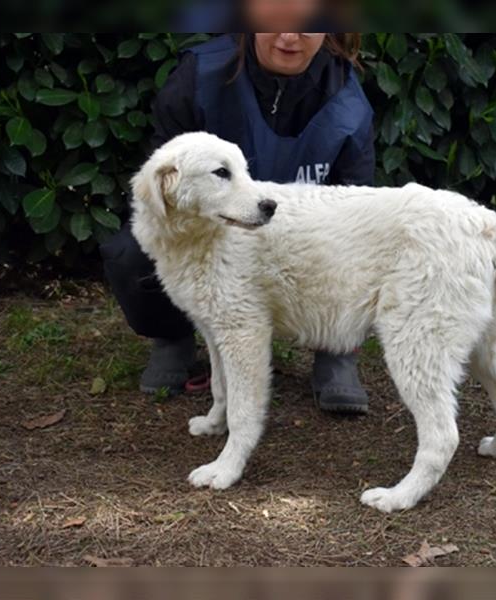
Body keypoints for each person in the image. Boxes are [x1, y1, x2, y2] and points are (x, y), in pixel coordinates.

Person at [100, 32, 375, 414]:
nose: (290, 35)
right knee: (131, 253)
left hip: (300, 230)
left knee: (359, 237)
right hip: (211, 228)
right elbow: (165, 182)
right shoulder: (200, 75)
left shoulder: (346, 97)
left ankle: (336, 349)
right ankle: (172, 337)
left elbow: (355, 202)